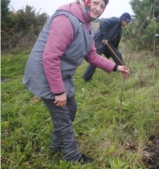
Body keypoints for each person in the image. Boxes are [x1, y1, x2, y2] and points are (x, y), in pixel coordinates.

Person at [22, 0, 129, 164]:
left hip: (61, 73)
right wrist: (58, 92)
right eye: (95, 2)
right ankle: (72, 157)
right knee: (63, 117)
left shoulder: (86, 25)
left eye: (102, 6)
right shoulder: (66, 19)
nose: (98, 9)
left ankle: (56, 145)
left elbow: (92, 55)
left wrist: (116, 67)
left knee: (71, 108)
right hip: (46, 73)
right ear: (86, 1)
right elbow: (50, 58)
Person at [82, 12, 131, 81]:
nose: (127, 24)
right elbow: (103, 22)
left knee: (117, 54)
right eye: (127, 22)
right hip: (99, 40)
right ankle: (86, 78)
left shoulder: (119, 28)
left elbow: (115, 41)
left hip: (106, 43)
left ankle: (124, 70)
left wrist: (113, 50)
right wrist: (105, 37)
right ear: (124, 20)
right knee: (96, 60)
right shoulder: (116, 20)